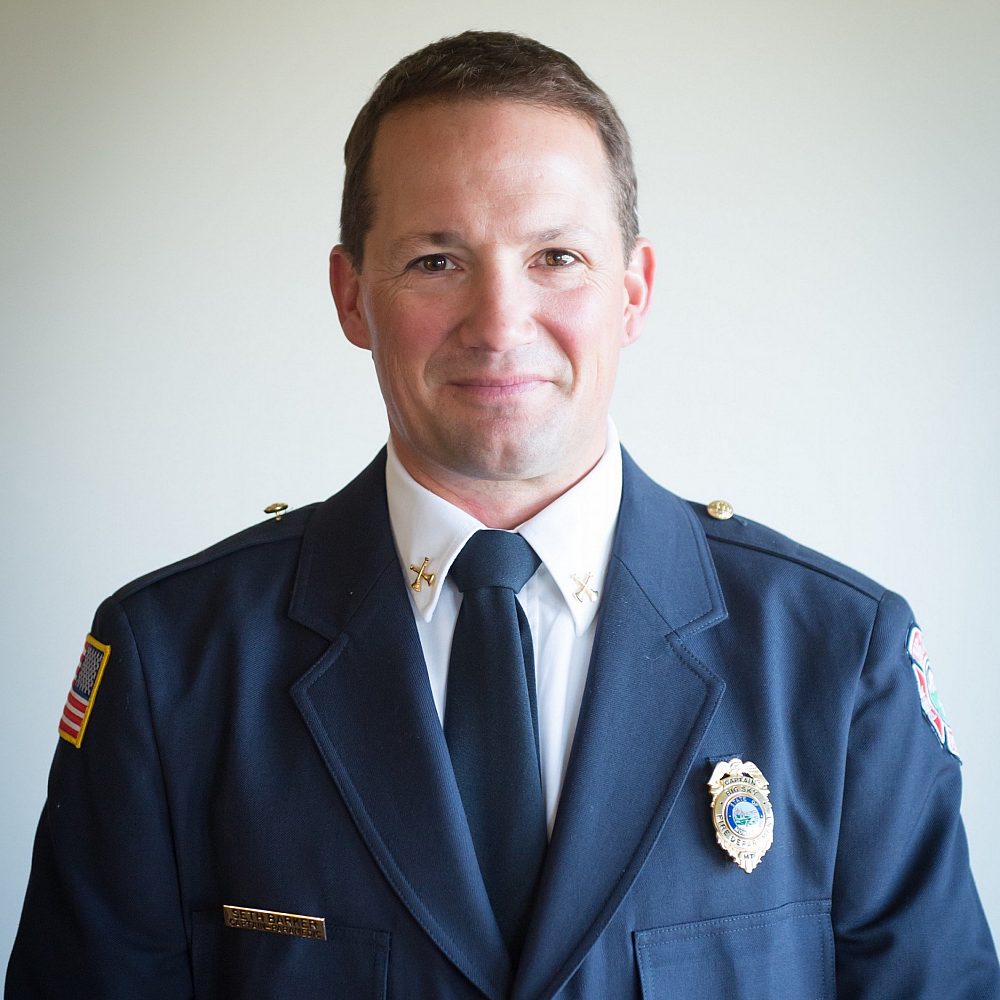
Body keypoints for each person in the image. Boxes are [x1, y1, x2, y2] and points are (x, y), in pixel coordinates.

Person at [7, 30, 999, 1000]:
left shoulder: (836, 655)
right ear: (351, 296)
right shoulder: (172, 662)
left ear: (633, 292)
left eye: (556, 256)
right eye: (436, 261)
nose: (499, 323)